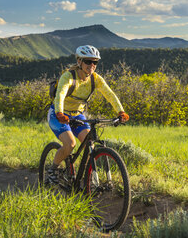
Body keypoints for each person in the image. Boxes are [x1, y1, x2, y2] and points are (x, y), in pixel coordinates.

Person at [47, 45, 129, 184]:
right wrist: (60, 113)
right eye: (88, 61)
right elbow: (60, 95)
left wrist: (120, 111)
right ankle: (53, 169)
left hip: (78, 115)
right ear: (79, 61)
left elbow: (110, 95)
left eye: (95, 62)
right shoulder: (68, 76)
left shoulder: (96, 79)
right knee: (70, 144)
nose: (92, 65)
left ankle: (86, 177)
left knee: (89, 144)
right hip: (58, 115)